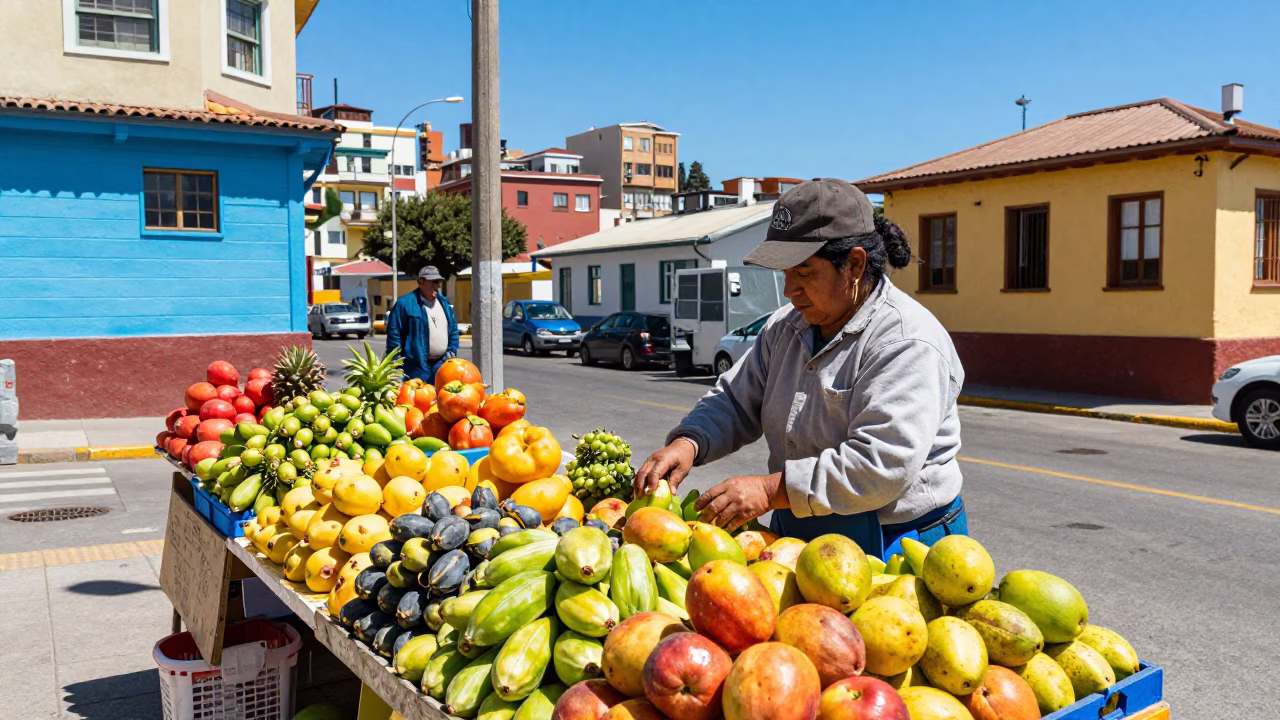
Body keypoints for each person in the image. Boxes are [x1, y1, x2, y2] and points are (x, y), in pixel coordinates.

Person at [635, 178, 967, 558]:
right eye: (784, 274)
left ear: (854, 265)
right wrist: (689, 442)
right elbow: (734, 399)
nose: (790, 290)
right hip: (797, 525)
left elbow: (881, 467)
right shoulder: (786, 326)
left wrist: (765, 491)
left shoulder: (907, 341)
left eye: (804, 273)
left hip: (896, 538)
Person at [385, 266, 460, 382]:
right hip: (415, 368)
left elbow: (453, 330)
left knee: (442, 398)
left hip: (441, 365)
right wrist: (396, 364)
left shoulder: (444, 303)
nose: (438, 286)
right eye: (434, 282)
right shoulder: (404, 304)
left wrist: (452, 350)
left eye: (439, 282)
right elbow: (394, 334)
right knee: (418, 399)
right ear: (421, 282)